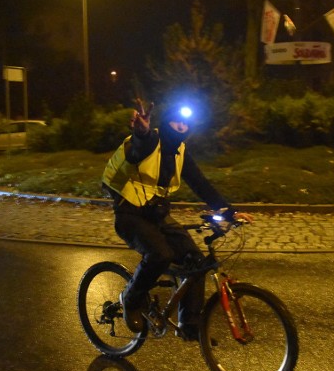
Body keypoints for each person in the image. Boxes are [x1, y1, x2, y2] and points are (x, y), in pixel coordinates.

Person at [102, 99, 254, 340]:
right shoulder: (152, 140)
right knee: (160, 254)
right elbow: (140, 149)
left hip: (157, 215)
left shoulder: (181, 152)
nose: (181, 125)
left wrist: (229, 212)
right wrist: (141, 132)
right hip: (129, 214)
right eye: (176, 119)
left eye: (186, 122)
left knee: (196, 261)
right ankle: (131, 300)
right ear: (166, 121)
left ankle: (190, 325)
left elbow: (201, 184)